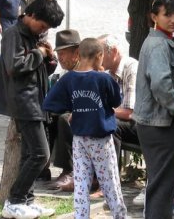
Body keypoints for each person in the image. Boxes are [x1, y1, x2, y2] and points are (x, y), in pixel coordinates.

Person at [0, 0, 64, 219]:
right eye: (42, 26)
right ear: (30, 15)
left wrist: (49, 58)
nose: (43, 31)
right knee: (41, 155)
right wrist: (39, 54)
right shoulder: (13, 33)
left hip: (37, 100)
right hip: (24, 101)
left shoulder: (33, 35)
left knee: (29, 155)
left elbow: (41, 72)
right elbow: (14, 66)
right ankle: (14, 201)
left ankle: (27, 201)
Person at [42, 38, 127, 219]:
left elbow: (49, 103)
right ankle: (119, 216)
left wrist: (73, 107)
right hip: (101, 139)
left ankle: (81, 216)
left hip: (79, 139)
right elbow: (116, 101)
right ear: (99, 56)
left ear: (78, 54)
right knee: (110, 182)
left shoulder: (68, 79)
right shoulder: (103, 78)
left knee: (81, 183)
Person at [133, 0, 174, 219]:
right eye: (167, 14)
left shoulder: (160, 41)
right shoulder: (158, 44)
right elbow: (161, 85)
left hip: (157, 122)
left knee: (161, 185)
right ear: (154, 16)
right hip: (162, 124)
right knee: (162, 186)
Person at [48, 29, 81, 190]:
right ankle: (42, 165)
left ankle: (69, 169)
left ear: (77, 52)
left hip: (89, 114)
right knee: (47, 116)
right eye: (58, 53)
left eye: (64, 53)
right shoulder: (65, 73)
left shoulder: (87, 70)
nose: (60, 57)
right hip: (73, 111)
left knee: (64, 119)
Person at [98, 34, 139, 157]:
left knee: (110, 125)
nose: (97, 58)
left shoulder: (132, 68)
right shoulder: (108, 73)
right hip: (123, 120)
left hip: (141, 124)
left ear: (114, 51)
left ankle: (109, 175)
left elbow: (130, 113)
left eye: (100, 54)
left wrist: (102, 111)